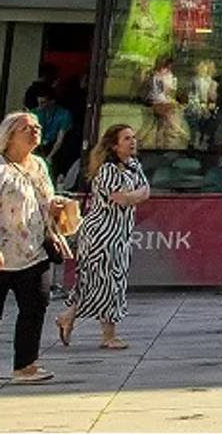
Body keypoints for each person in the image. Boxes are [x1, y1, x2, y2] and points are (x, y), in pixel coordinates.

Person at [0, 112, 70, 387]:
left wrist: (56, 207)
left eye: (37, 127)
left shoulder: (38, 165)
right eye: (27, 128)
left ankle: (26, 364)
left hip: (32, 250)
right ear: (10, 134)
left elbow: (43, 200)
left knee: (36, 304)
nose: (35, 131)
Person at [58, 124, 149, 353]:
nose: (132, 142)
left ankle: (68, 316)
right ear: (114, 144)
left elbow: (145, 191)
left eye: (133, 138)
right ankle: (109, 335)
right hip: (102, 234)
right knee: (106, 280)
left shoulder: (133, 166)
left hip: (120, 232)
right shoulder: (108, 170)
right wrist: (136, 194)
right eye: (126, 138)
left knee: (103, 280)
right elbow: (121, 198)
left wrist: (136, 194)